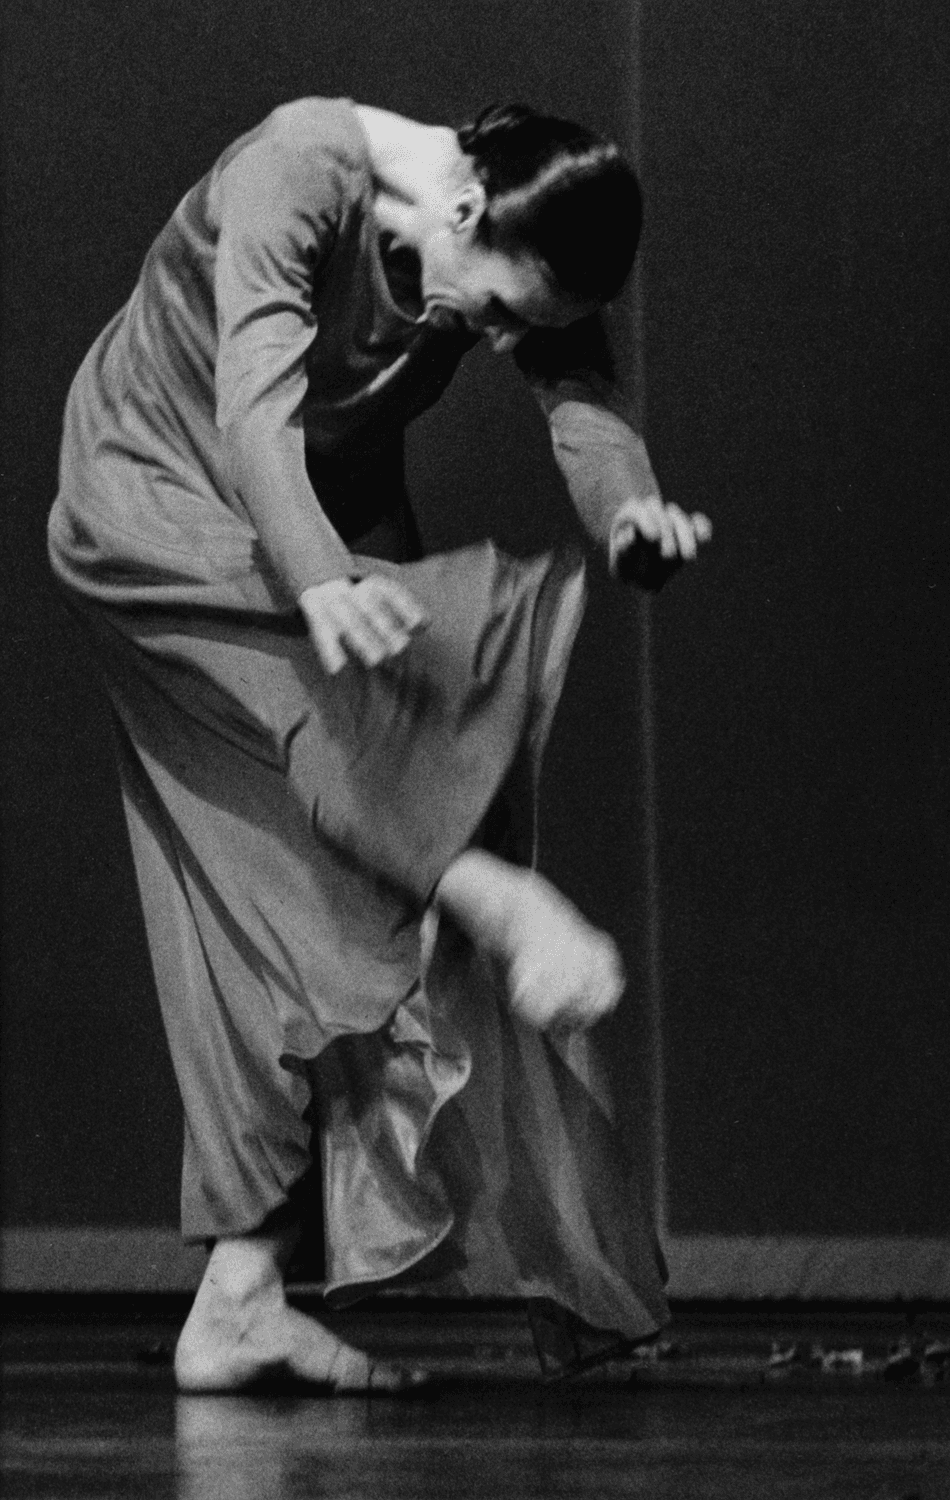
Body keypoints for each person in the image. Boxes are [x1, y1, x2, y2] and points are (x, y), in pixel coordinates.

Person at [48, 96, 711, 1393]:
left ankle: (237, 1297)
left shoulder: (505, 231)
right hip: (161, 501)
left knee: (282, 905)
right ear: (463, 210)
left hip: (323, 534)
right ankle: (499, 903)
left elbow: (578, 398)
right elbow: (250, 409)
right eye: (504, 307)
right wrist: (312, 584)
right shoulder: (299, 171)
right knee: (345, 738)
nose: (503, 336)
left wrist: (630, 513)